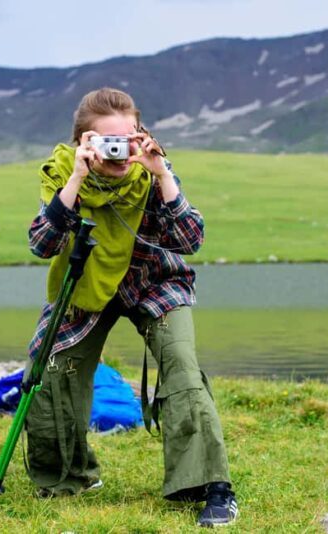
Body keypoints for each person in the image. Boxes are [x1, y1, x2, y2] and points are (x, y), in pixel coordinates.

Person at [24, 87, 237, 527]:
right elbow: (43, 244)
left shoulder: (150, 170)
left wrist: (162, 174)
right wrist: (78, 180)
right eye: (109, 141)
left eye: (130, 137)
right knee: (48, 369)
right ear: (84, 142)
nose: (122, 152)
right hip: (84, 287)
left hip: (153, 281)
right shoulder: (62, 173)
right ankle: (67, 476)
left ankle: (209, 486)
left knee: (181, 363)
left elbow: (190, 241)